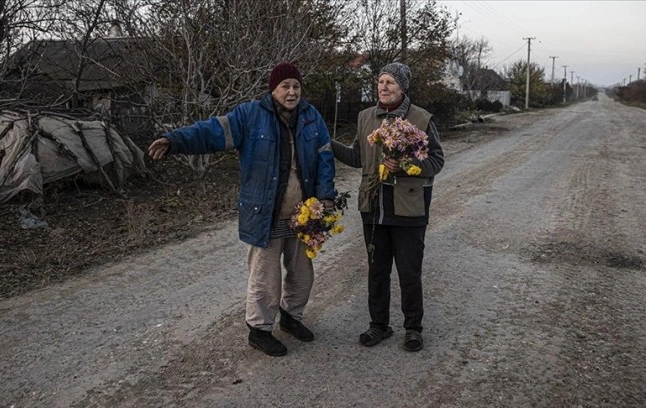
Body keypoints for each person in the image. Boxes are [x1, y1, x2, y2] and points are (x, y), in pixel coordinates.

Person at [148, 62, 337, 357]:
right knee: (265, 277)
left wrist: (325, 197)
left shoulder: (311, 117)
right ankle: (260, 331)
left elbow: (325, 157)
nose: (291, 92)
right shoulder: (250, 116)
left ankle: (291, 317)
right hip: (266, 213)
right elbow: (211, 132)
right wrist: (174, 141)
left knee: (302, 274)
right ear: (272, 89)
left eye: (296, 86)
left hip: (304, 214)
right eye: (285, 86)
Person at [330, 62, 444, 352]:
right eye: (380, 81)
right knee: (377, 271)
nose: (383, 87)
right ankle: (378, 325)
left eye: (390, 82)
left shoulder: (421, 118)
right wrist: (327, 143)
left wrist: (406, 166)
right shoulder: (366, 117)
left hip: (408, 209)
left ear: (402, 87)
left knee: (409, 273)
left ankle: (413, 329)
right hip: (373, 207)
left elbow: (436, 161)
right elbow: (358, 157)